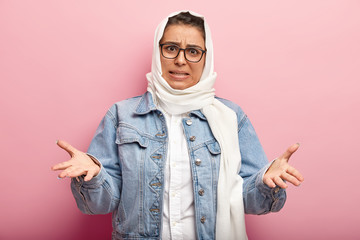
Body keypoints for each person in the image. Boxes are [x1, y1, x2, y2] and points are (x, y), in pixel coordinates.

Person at [52, 11, 304, 240]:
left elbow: (249, 201)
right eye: (171, 48)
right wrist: (93, 176)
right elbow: (99, 204)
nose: (181, 60)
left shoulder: (231, 117)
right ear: (157, 51)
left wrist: (265, 181)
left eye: (193, 51)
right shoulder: (121, 116)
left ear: (206, 57)